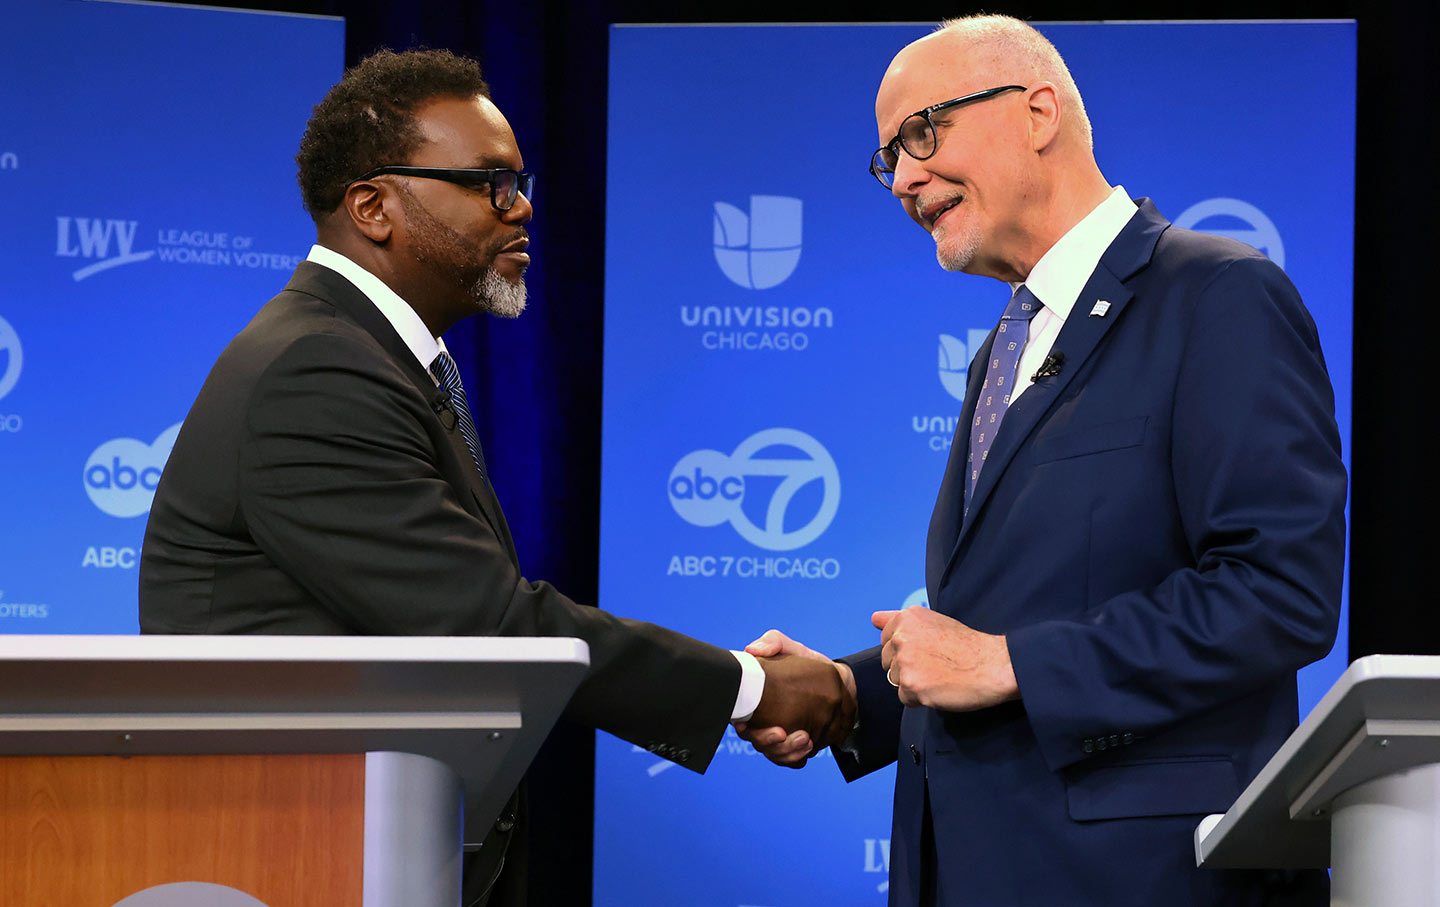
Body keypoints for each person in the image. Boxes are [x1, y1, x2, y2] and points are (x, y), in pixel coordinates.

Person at [138, 48, 855, 906]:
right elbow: (490, 628)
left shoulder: (370, 354)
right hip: (307, 858)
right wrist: (750, 686)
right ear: (374, 207)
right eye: (490, 184)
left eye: (522, 184)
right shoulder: (318, 369)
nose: (521, 212)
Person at [738, 15, 1346, 906]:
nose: (903, 178)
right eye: (889, 159)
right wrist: (845, 694)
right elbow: (1006, 623)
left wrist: (1013, 663)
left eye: (921, 133)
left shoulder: (1217, 294)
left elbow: (1279, 591)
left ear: (1037, 111)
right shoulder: (1005, 349)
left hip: (1145, 880)